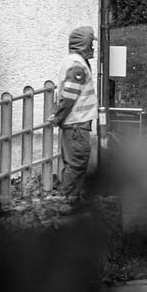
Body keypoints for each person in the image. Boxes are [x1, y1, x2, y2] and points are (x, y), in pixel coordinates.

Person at [49, 25, 97, 207]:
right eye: (91, 43)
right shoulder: (77, 65)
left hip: (74, 124)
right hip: (77, 124)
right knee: (77, 163)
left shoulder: (73, 61)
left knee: (72, 163)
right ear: (83, 44)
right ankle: (65, 203)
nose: (93, 47)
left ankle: (68, 201)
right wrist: (57, 117)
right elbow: (69, 97)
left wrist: (57, 116)